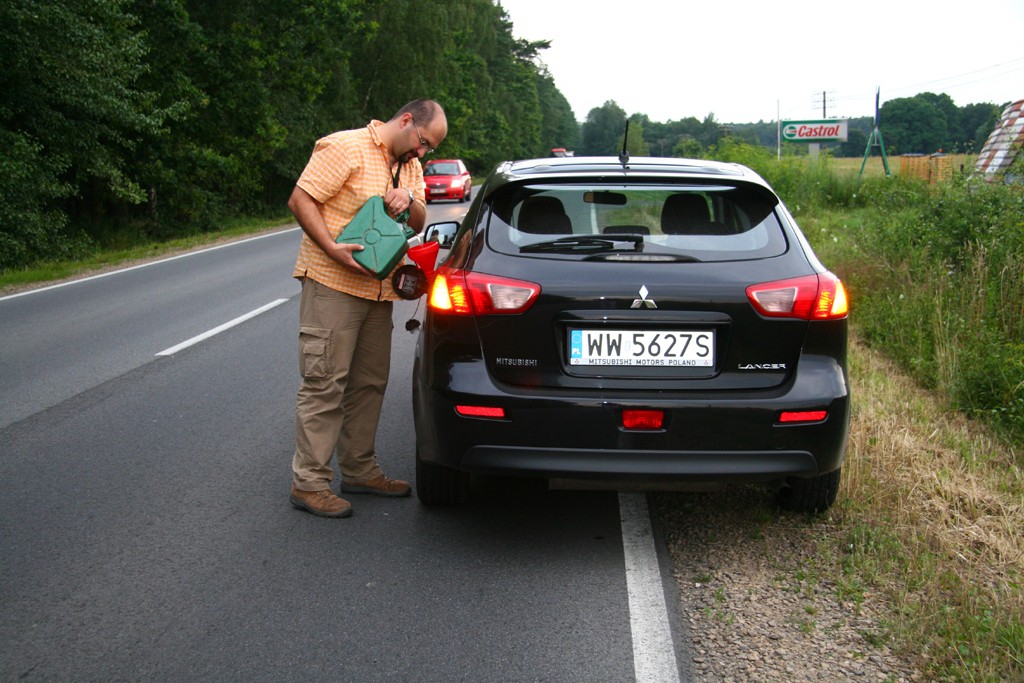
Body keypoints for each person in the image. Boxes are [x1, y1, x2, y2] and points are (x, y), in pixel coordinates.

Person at [287, 99, 448, 518]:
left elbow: (418, 220)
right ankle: (309, 483)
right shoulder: (345, 147)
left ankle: (359, 470)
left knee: (370, 382)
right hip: (332, 283)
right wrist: (332, 248)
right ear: (407, 120)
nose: (423, 153)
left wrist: (408, 197)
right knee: (325, 383)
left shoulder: (409, 165)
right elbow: (300, 200)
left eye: (429, 149)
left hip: (378, 290)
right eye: (423, 142)